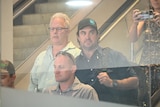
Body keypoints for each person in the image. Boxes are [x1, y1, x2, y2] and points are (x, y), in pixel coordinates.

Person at [75, 18, 139, 105]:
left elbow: (135, 82)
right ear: (78, 37)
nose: (87, 37)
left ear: (98, 35)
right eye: (83, 33)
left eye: (91, 32)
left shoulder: (113, 56)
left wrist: (113, 83)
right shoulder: (75, 64)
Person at [28, 13, 80, 92]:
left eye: (59, 28)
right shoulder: (41, 57)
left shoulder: (77, 54)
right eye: (52, 29)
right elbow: (32, 85)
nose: (55, 32)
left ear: (68, 31)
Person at [129, 0, 160, 65]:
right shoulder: (147, 15)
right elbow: (133, 39)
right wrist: (135, 23)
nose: (155, 0)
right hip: (147, 60)